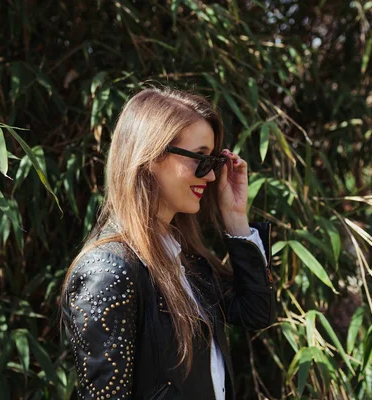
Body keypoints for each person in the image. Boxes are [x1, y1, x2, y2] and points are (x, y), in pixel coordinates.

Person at [61, 87, 276, 399]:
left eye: (214, 161)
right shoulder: (107, 272)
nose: (213, 176)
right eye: (201, 159)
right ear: (150, 155)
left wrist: (235, 217)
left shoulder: (185, 259)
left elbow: (257, 313)